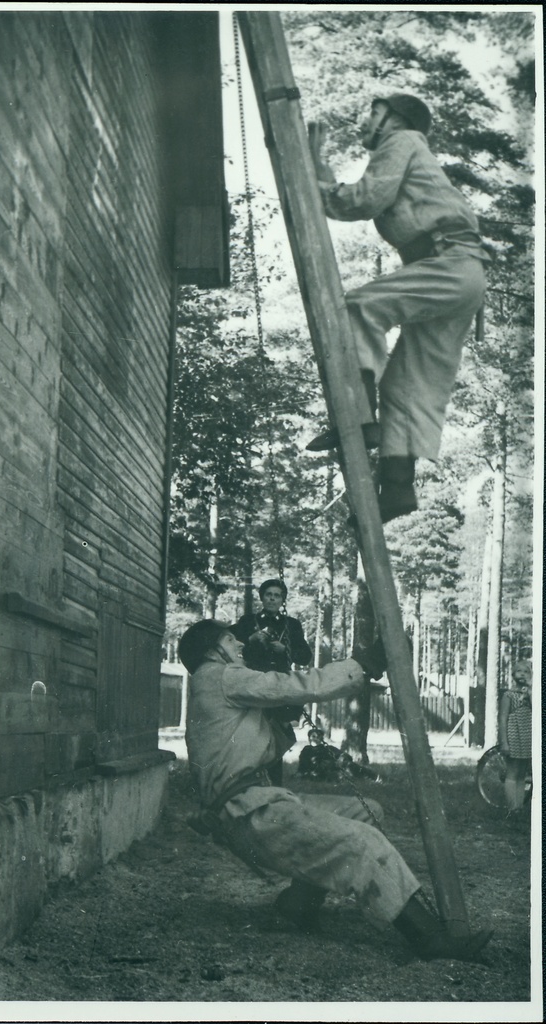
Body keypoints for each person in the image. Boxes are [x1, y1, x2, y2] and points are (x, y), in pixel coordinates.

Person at [179, 618, 493, 960]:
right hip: (248, 813)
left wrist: (281, 716)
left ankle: (300, 904)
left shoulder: (215, 684)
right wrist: (366, 663)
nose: (239, 644)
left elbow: (256, 744)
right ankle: (429, 938)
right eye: (230, 640)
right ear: (212, 651)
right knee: (361, 841)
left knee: (364, 811)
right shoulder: (218, 675)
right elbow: (297, 684)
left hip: (253, 805)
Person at [307, 94, 490, 523]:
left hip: (447, 263)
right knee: (410, 384)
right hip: (462, 273)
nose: (366, 120)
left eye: (374, 112)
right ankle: (397, 488)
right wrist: (315, 165)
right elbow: (347, 195)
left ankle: (357, 415)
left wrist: (311, 183)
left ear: (395, 118)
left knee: (357, 307)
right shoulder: (409, 148)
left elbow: (364, 200)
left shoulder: (402, 139)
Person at [230, 578, 313, 784]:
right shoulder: (247, 622)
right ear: (262, 598)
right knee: (252, 734)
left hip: (279, 687)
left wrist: (286, 650)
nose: (272, 599)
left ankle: (275, 785)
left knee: (276, 736)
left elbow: (305, 656)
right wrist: (250, 640)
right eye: (269, 595)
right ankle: (250, 783)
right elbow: (230, 647)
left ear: (282, 600)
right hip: (253, 685)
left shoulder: (292, 625)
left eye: (277, 595)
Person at [498, 662, 532, 812]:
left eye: (526, 671)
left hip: (526, 736)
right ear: (513, 675)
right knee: (512, 771)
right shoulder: (508, 695)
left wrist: (529, 694)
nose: (522, 674)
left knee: (522, 773)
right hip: (513, 735)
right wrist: (504, 742)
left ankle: (519, 806)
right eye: (519, 671)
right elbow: (503, 718)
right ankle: (512, 807)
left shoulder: (531, 695)